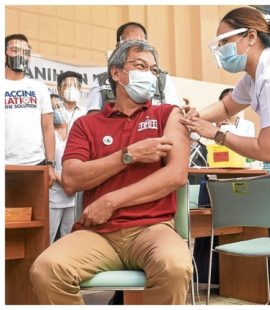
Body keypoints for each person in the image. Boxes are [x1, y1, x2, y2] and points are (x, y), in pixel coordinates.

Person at [30, 40, 192, 305]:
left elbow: (175, 175)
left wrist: (111, 200)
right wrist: (129, 155)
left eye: (153, 70)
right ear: (115, 73)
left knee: (174, 267)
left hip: (152, 229)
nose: (149, 74)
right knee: (46, 269)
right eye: (140, 65)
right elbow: (71, 179)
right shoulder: (87, 124)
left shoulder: (168, 114)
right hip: (98, 233)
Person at [181, 7, 270, 180]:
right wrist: (195, 116)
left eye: (224, 42)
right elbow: (226, 107)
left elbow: (268, 150)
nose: (221, 50)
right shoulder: (253, 75)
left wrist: (217, 134)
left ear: (251, 37)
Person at [86, 21, 180, 113]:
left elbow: (173, 114)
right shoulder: (101, 80)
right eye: (129, 43)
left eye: (141, 44)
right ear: (118, 47)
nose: (136, 47)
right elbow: (93, 121)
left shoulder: (162, 79)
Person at [5, 34, 56, 186]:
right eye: (15, 50)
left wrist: (50, 164)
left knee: (36, 211)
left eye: (26, 52)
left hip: (36, 164)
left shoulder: (39, 87)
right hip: (5, 165)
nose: (21, 55)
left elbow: (48, 127)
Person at [48, 94, 76, 244]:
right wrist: (63, 179)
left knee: (69, 239)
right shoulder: (46, 133)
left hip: (72, 195)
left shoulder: (74, 130)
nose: (57, 110)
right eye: (53, 108)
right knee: (48, 237)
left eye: (59, 106)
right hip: (53, 193)